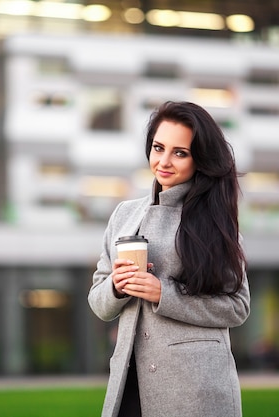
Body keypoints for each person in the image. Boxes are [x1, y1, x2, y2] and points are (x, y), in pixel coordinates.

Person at [88, 101, 250, 417]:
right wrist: (116, 288)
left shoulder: (216, 223)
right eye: (158, 147)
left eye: (180, 152)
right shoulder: (124, 214)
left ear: (199, 159)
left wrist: (164, 294)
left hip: (194, 390)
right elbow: (97, 301)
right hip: (129, 382)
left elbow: (237, 307)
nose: (163, 161)